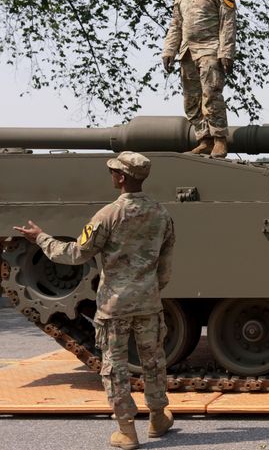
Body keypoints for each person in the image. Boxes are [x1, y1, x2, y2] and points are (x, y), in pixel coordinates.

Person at [14, 152, 175, 450]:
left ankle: (127, 431)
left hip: (114, 304)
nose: (111, 175)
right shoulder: (161, 214)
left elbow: (76, 254)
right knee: (153, 361)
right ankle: (157, 419)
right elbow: (164, 266)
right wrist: (151, 289)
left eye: (113, 171)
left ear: (122, 178)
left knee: (115, 365)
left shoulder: (107, 215)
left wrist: (40, 238)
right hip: (148, 302)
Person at [162, 0, 237, 158]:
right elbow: (176, 24)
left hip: (210, 50)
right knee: (191, 100)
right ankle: (203, 139)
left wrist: (226, 52)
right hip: (187, 52)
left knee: (211, 95)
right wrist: (169, 50)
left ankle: (220, 139)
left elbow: (228, 22)